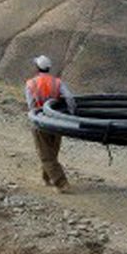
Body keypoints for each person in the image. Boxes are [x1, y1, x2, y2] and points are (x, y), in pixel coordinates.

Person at [25, 55, 76, 193]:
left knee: (45, 154)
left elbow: (31, 105)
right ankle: (46, 178)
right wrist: (70, 114)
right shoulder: (57, 82)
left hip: (41, 122)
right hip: (56, 121)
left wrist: (34, 115)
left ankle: (61, 183)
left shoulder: (31, 83)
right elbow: (70, 98)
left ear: (37, 68)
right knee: (52, 151)